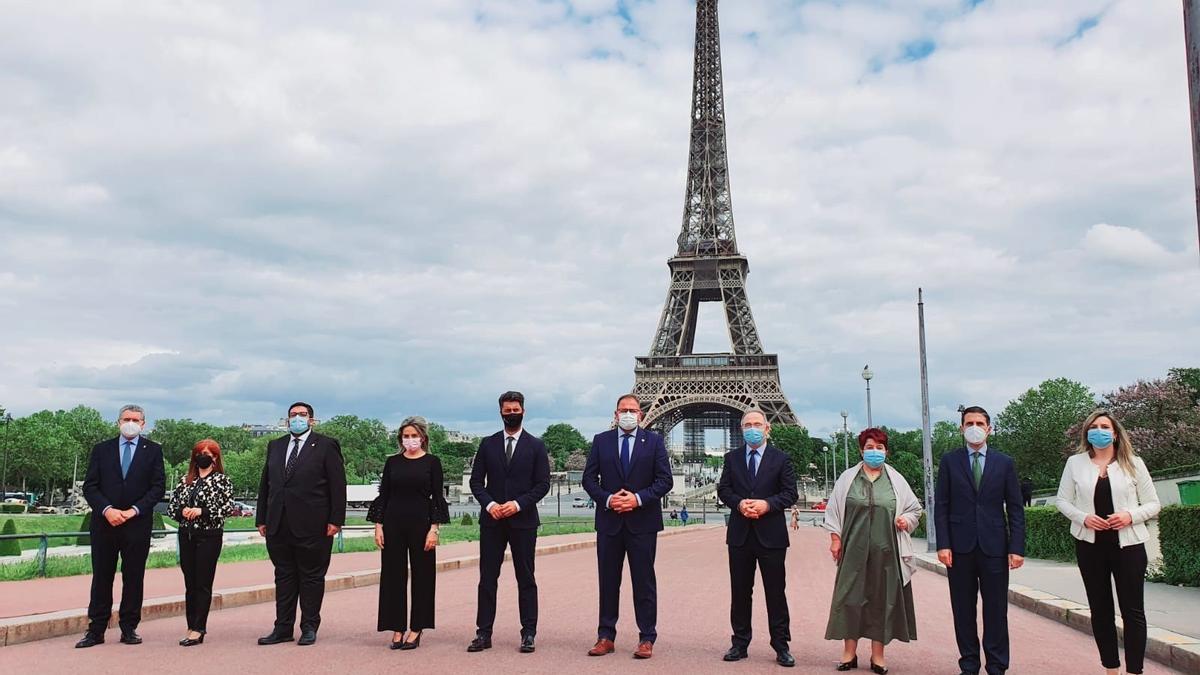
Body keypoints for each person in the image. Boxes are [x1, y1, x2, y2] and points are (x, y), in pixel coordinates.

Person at [1055, 411, 1160, 675]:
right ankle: (1110, 668)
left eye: (1104, 426)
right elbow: (1062, 501)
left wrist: (1129, 516)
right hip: (1090, 546)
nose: (1098, 431)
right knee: (1100, 610)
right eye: (1093, 427)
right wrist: (1084, 518)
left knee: (1133, 611)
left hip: (1129, 547)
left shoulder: (1133, 463)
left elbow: (1153, 504)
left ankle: (1135, 670)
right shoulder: (1075, 463)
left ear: (1114, 433)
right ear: (1087, 434)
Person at [934, 406, 1026, 675]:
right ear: (962, 428)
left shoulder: (1004, 463)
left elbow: (1016, 507)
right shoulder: (950, 461)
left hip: (995, 547)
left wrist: (1016, 547)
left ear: (989, 428)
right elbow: (941, 505)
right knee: (963, 610)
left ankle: (997, 665)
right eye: (969, 422)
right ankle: (969, 664)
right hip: (959, 548)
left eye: (979, 422)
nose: (974, 426)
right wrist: (943, 544)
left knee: (996, 610)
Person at [581, 394, 673, 659]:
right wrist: (609, 500)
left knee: (644, 582)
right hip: (610, 521)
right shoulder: (601, 441)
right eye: (624, 409)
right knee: (608, 582)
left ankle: (647, 637)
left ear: (641, 414)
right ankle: (606, 635)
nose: (628, 413)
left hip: (642, 522)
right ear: (616, 414)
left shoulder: (654, 441)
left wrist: (637, 499)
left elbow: (665, 480)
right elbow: (589, 479)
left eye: (633, 409)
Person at [824, 428, 922, 674]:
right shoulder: (847, 479)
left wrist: (905, 521)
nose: (875, 452)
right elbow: (834, 512)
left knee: (882, 600)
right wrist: (835, 540)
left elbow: (914, 510)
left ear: (886, 451)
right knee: (850, 598)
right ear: (861, 450)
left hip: (887, 552)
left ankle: (878, 656)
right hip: (853, 552)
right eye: (870, 447)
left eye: (880, 448)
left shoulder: (896, 481)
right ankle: (849, 652)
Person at [255, 402, 347, 647]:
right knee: (283, 577)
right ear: (287, 420)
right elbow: (267, 484)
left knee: (311, 577)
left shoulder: (326, 445)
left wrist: (336, 519)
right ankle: (282, 627)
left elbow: (338, 485)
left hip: (314, 525)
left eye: (302, 415)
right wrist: (261, 517)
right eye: (293, 415)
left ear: (312, 420)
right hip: (278, 523)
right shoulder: (276, 446)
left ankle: (309, 626)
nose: (297, 418)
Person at [467, 391, 551, 654]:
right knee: (487, 579)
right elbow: (476, 482)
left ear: (523, 411)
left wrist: (517, 504)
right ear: (500, 412)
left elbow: (543, 484)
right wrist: (491, 505)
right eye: (507, 409)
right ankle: (483, 632)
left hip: (523, 519)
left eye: (515, 409)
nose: (511, 413)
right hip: (492, 519)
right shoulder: (487, 444)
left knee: (526, 578)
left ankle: (528, 633)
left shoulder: (536, 445)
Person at [76, 404, 166, 648]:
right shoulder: (101, 450)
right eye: (126, 419)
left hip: (136, 524)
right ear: (118, 422)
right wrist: (108, 510)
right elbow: (90, 486)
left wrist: (134, 510)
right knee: (102, 577)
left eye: (136, 420)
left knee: (134, 577)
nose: (131, 423)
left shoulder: (153, 451)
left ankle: (129, 627)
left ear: (143, 424)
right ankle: (96, 629)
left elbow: (158, 487)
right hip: (105, 523)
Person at [717, 410, 799, 667]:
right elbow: (724, 489)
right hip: (740, 535)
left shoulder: (781, 459)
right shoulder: (732, 459)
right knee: (740, 592)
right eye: (747, 425)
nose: (752, 428)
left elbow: (790, 493)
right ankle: (740, 643)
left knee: (776, 593)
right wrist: (739, 503)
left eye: (757, 424)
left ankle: (781, 645)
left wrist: (766, 504)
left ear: (767, 429)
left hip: (771, 535)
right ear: (741, 429)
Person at [368, 416, 451, 650]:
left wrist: (434, 529)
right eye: (406, 436)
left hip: (422, 524)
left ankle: (417, 628)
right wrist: (378, 525)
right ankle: (396, 628)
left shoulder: (432, 462)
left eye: (414, 436)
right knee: (392, 576)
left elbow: (437, 496)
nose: (410, 440)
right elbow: (384, 495)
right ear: (400, 438)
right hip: (393, 523)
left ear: (423, 438)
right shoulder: (392, 463)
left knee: (423, 576)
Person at [168, 439, 234, 647]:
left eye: (209, 453)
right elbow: (171, 508)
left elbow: (227, 508)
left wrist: (202, 511)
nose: (204, 456)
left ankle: (199, 628)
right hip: (186, 535)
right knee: (190, 583)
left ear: (215, 458)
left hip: (209, 535)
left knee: (203, 582)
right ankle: (190, 625)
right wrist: (183, 512)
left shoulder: (222, 481)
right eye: (200, 452)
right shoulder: (185, 480)